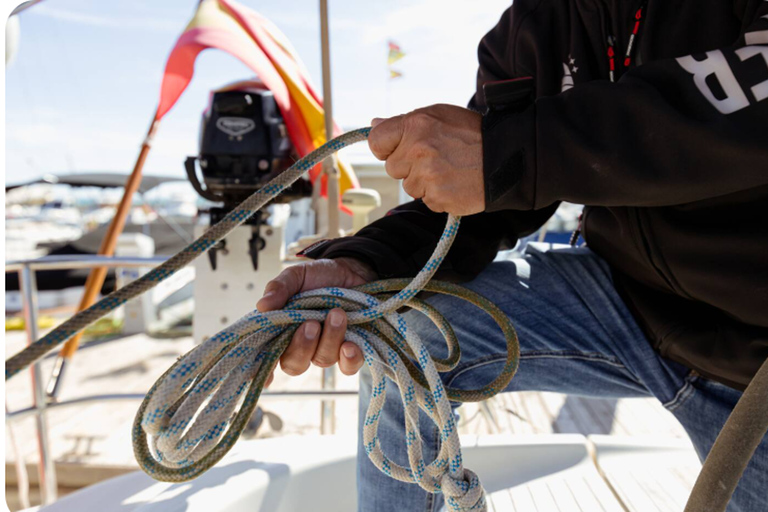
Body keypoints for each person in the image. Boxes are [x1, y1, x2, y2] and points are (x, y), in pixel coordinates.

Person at [258, 1, 768, 510]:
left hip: (754, 348)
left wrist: (514, 150)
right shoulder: (534, 26)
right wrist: (365, 264)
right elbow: (485, 199)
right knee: (404, 337)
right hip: (630, 303)